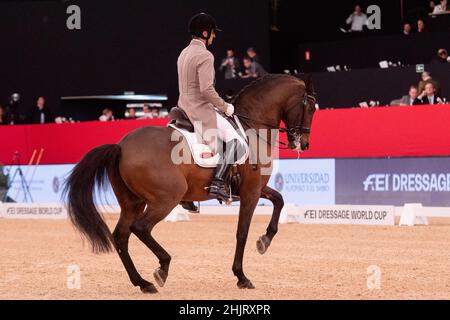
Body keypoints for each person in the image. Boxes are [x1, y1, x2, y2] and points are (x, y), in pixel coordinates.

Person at [177, 12, 245, 202]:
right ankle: (218, 184)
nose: (215, 36)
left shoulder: (183, 53)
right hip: (200, 109)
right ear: (205, 33)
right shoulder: (205, 55)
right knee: (236, 140)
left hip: (183, 106)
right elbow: (206, 90)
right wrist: (225, 107)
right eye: (213, 33)